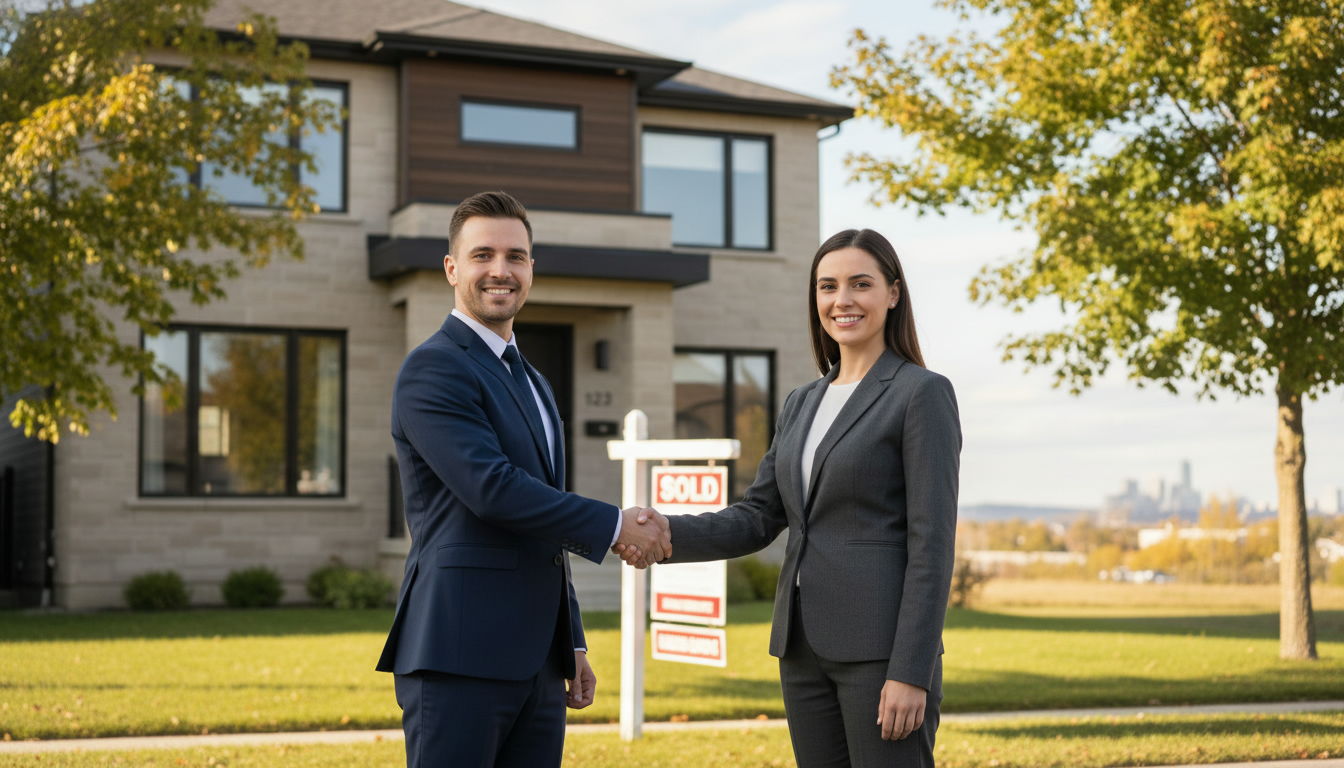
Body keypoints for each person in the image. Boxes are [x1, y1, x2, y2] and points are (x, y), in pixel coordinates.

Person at [618, 228, 961, 767]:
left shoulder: (921, 393)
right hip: (801, 649)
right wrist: (665, 532)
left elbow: (932, 544)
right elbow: (759, 516)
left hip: (880, 654)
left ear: (893, 293)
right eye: (827, 287)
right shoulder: (803, 402)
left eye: (859, 284)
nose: (841, 300)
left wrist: (910, 671)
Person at [377, 190, 671, 768]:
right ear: (451, 268)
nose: (500, 270)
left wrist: (573, 640)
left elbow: (546, 514)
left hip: (538, 664)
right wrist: (615, 524)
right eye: (483, 254)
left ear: (531, 269)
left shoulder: (533, 380)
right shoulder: (433, 366)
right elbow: (492, 489)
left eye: (516, 256)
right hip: (457, 654)